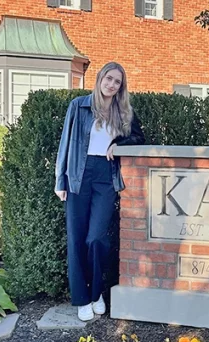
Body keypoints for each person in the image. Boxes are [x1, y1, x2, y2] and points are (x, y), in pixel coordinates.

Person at [54, 62, 145, 321]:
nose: (112, 85)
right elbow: (65, 143)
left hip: (106, 177)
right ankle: (82, 299)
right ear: (100, 78)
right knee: (76, 238)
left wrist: (118, 143)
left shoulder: (123, 111)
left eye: (117, 82)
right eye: (109, 79)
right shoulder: (79, 106)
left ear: (120, 87)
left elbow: (139, 138)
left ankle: (96, 294)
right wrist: (60, 180)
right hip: (78, 175)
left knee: (96, 238)